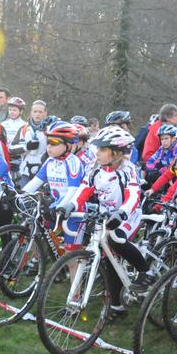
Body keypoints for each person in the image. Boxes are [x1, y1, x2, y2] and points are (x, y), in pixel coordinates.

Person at [60, 126, 147, 319]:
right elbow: (84, 190)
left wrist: (122, 213)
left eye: (102, 150)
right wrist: (70, 206)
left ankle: (144, 270)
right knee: (108, 261)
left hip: (127, 214)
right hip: (105, 216)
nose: (96, 153)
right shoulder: (95, 169)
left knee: (115, 239)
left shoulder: (127, 170)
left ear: (115, 153)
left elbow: (133, 195)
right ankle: (116, 306)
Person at [23, 122, 85, 249]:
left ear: (68, 145)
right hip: (54, 209)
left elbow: (73, 191)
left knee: (70, 256)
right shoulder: (50, 161)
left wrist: (60, 207)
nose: (49, 147)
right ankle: (38, 264)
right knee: (37, 237)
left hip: (73, 212)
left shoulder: (73, 162)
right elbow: (35, 182)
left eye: (54, 142)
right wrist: (19, 195)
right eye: (48, 142)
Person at [10, 99, 48, 186]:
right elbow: (11, 148)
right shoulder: (24, 128)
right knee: (23, 196)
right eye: (35, 111)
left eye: (40, 112)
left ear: (45, 113)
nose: (37, 114)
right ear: (31, 112)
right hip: (25, 171)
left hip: (43, 172)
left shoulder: (49, 129)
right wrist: (26, 147)